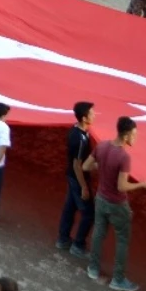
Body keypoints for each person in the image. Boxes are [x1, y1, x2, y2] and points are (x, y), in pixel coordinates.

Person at [84, 115, 146, 291]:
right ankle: (118, 279)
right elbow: (122, 186)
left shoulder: (102, 146)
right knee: (122, 240)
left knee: (99, 232)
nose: (135, 138)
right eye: (134, 134)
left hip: (101, 198)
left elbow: (86, 166)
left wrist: (103, 168)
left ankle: (93, 268)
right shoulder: (124, 157)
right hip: (117, 204)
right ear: (127, 135)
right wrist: (141, 184)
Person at [57, 101, 97, 258]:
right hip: (77, 179)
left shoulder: (76, 130)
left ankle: (63, 239)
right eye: (92, 113)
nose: (95, 115)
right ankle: (78, 245)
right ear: (84, 118)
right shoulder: (80, 139)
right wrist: (84, 187)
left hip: (72, 177)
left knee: (70, 208)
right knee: (88, 213)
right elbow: (77, 165)